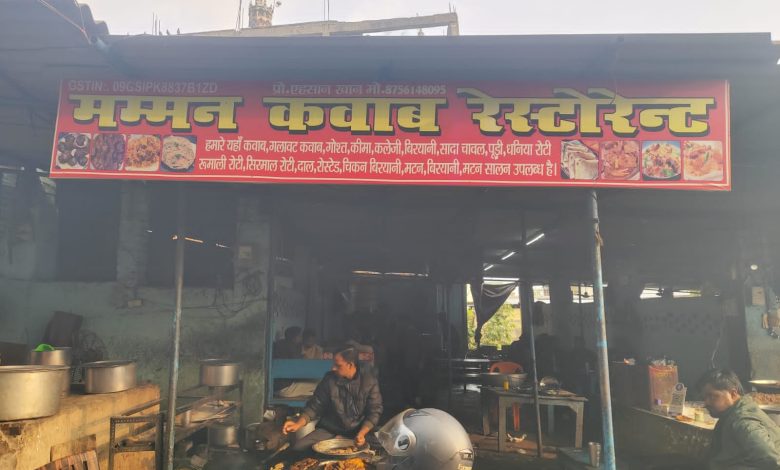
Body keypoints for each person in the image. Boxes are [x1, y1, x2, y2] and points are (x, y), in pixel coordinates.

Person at [283, 346, 383, 451]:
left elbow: (374, 412)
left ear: (350, 365)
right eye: (333, 364)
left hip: (358, 431)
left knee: (381, 444)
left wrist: (361, 434)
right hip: (330, 430)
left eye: (338, 365)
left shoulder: (369, 381)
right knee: (298, 448)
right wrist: (297, 424)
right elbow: (315, 406)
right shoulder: (329, 379)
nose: (333, 368)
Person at [696, 368, 780, 469]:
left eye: (712, 396)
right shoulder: (731, 413)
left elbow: (772, 461)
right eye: (704, 398)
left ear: (733, 393)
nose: (706, 403)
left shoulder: (743, 422)